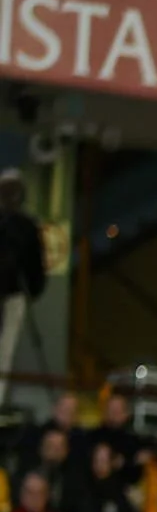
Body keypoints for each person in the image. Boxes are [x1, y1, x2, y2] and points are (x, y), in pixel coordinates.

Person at [0, 167, 47, 409]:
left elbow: (36, 266)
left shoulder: (26, 226)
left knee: (5, 353)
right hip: (12, 292)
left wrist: (31, 288)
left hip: (15, 295)